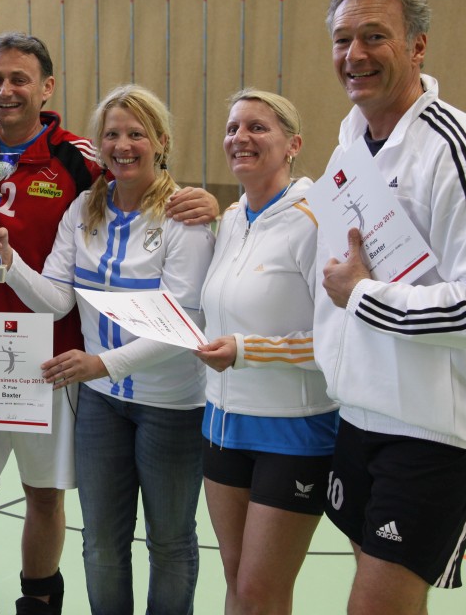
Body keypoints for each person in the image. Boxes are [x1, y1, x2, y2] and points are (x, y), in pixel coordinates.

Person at [0, 0, 218, 615]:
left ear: (47, 87)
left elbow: (140, 174)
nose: (6, 90)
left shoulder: (78, 157)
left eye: (20, 78)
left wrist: (202, 203)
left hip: (54, 358)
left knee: (45, 496)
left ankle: (37, 602)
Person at [317, 0, 466, 613]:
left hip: (435, 432)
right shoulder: (350, 143)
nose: (354, 54)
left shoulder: (458, 150)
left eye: (374, 36)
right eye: (343, 39)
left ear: (417, 47)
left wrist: (364, 296)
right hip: (360, 414)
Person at [0, 85, 215, 615]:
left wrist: (100, 363)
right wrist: (10, 263)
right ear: (99, 144)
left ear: (161, 142)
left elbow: (184, 325)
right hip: (102, 405)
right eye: (112, 134)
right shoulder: (84, 208)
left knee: (170, 542)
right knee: (101, 542)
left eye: (136, 134)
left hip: (171, 407)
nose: (123, 145)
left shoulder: (183, 218)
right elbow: (58, 300)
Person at [194, 89, 338, 614]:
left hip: (293, 431)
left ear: (293, 144)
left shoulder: (319, 218)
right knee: (236, 582)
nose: (241, 137)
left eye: (258, 127)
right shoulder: (233, 217)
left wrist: (246, 350)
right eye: (233, 128)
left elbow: (339, 340)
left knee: (261, 591)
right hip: (221, 424)